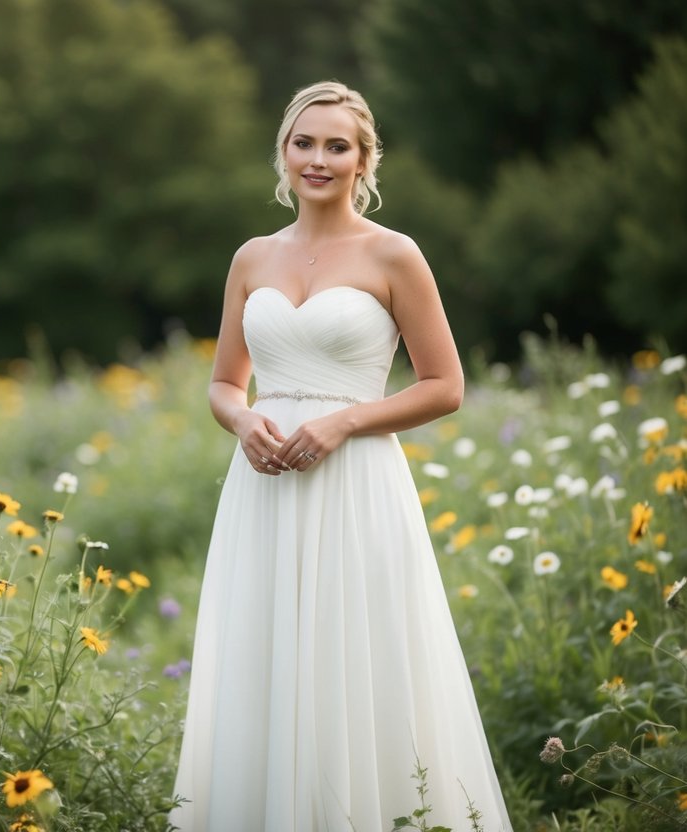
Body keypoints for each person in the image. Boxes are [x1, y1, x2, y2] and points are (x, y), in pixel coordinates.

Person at [168, 81, 511, 831]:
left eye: (336, 146)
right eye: (303, 143)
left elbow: (445, 385)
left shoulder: (393, 254)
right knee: (265, 660)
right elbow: (225, 383)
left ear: (363, 161)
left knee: (359, 659)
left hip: (356, 484)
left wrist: (344, 423)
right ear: (283, 155)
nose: (317, 159)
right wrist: (242, 422)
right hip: (261, 488)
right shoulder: (251, 258)